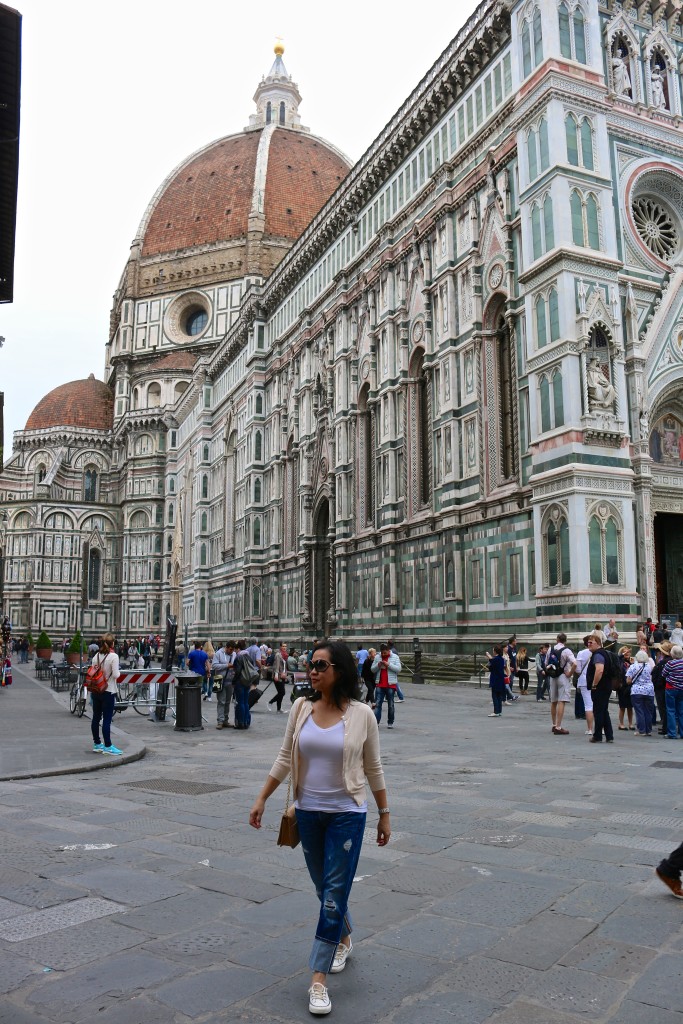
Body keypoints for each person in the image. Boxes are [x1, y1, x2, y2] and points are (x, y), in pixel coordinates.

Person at [249, 640, 390, 1017]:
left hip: (348, 812)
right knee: (322, 886)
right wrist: (262, 797)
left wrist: (384, 813)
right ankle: (343, 936)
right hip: (307, 812)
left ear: (339, 671)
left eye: (320, 665)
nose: (312, 670)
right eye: (311, 664)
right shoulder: (300, 707)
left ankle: (317, 979)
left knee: (332, 893)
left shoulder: (362, 715)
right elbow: (284, 757)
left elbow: (374, 767)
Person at [90, 633, 123, 756]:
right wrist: (119, 673)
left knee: (96, 717)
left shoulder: (96, 656)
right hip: (108, 691)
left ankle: (97, 744)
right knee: (107, 720)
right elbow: (115, 675)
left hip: (96, 690)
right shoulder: (113, 656)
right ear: (112, 643)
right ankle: (108, 746)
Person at [586, 633, 615, 743]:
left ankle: (597, 736)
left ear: (597, 643)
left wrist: (594, 684)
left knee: (598, 711)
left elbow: (599, 670)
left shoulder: (598, 655)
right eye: (588, 642)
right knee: (603, 711)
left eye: (591, 642)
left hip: (600, 687)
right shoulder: (603, 653)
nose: (588, 644)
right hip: (606, 686)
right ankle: (609, 735)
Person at [547, 633, 575, 735]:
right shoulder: (567, 651)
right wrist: (570, 673)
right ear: (565, 641)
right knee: (561, 701)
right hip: (563, 676)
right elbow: (575, 663)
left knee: (553, 701)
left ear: (557, 639)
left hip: (553, 676)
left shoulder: (551, 649)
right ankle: (559, 726)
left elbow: (546, 663)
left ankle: (554, 725)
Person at [372, 643, 401, 728]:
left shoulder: (395, 657)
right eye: (382, 653)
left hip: (390, 684)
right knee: (378, 704)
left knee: (391, 704)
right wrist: (378, 665)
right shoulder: (378, 657)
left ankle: (390, 722)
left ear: (389, 651)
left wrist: (389, 665)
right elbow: (372, 669)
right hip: (380, 684)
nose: (383, 654)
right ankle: (376, 722)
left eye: (385, 653)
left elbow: (398, 669)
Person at [627, 650, 655, 736]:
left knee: (639, 711)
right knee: (648, 711)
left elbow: (628, 680)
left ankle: (641, 730)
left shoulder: (632, 667)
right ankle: (648, 730)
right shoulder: (649, 666)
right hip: (649, 690)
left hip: (637, 691)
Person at [574, 635, 594, 737]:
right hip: (596, 681)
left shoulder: (581, 653)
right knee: (599, 705)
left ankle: (590, 729)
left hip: (584, 681)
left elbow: (577, 670)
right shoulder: (599, 652)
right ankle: (602, 728)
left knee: (588, 705)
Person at [663, 644, 683, 739]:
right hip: (682, 688)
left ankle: (672, 733)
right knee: (681, 711)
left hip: (671, 688)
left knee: (671, 710)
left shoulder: (670, 663)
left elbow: (664, 674)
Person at [233, 639, 254, 729]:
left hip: (240, 682)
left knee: (240, 702)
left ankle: (240, 722)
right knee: (246, 702)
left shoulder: (238, 657)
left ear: (238, 649)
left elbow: (237, 671)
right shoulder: (248, 656)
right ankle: (246, 722)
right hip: (248, 681)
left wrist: (233, 681)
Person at [213, 641, 234, 729]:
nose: (231, 651)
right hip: (218, 679)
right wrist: (226, 666)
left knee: (228, 701)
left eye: (232, 650)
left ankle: (225, 720)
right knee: (221, 701)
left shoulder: (234, 655)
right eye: (230, 649)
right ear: (226, 647)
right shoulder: (218, 653)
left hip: (230, 680)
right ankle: (220, 721)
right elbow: (214, 665)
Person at [617, 645, 635, 731]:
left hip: (630, 686)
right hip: (622, 686)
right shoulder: (619, 661)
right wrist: (622, 654)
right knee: (622, 706)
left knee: (630, 706)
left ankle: (631, 723)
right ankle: (621, 724)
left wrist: (632, 663)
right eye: (625, 652)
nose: (627, 653)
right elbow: (618, 659)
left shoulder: (631, 662)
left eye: (628, 652)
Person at [486, 645, 506, 717]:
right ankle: (499, 711)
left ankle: (496, 711)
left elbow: (492, 663)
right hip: (500, 679)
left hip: (495, 679)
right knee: (499, 696)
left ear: (495, 651)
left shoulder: (496, 659)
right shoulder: (501, 659)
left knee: (495, 695)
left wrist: (488, 656)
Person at [268, 643, 288, 713]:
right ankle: (270, 702)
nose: (284, 647)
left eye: (285, 646)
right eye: (283, 646)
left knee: (281, 692)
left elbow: (285, 666)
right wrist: (276, 675)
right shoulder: (278, 655)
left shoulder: (285, 655)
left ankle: (279, 709)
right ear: (280, 647)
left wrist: (285, 673)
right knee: (282, 692)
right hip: (278, 676)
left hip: (282, 675)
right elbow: (276, 665)